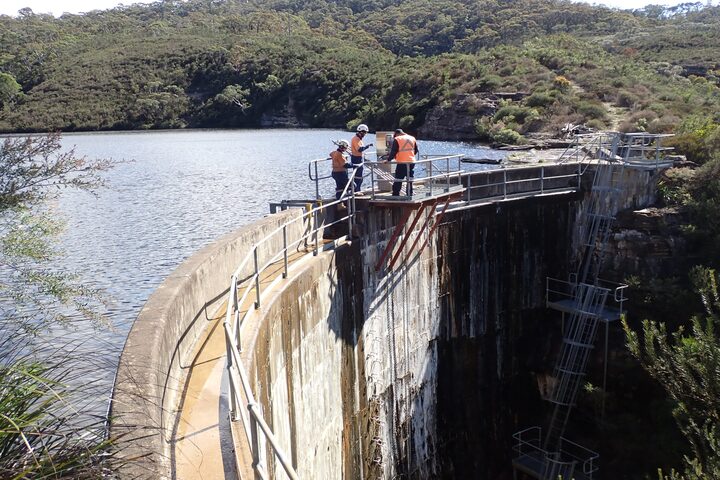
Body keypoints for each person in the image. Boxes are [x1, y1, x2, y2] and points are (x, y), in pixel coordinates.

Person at [387, 128, 418, 196]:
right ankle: (410, 193)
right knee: (409, 178)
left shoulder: (398, 139)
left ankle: (395, 194)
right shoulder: (412, 138)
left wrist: (388, 160)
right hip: (411, 161)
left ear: (397, 134)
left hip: (402, 162)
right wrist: (410, 155)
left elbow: (393, 151)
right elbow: (416, 150)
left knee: (398, 178)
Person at [350, 124, 373, 192]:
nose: (365, 134)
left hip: (358, 158)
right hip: (356, 159)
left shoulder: (358, 139)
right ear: (361, 131)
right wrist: (367, 146)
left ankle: (357, 190)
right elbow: (359, 149)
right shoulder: (356, 139)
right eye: (365, 132)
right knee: (358, 177)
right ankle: (356, 191)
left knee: (359, 176)